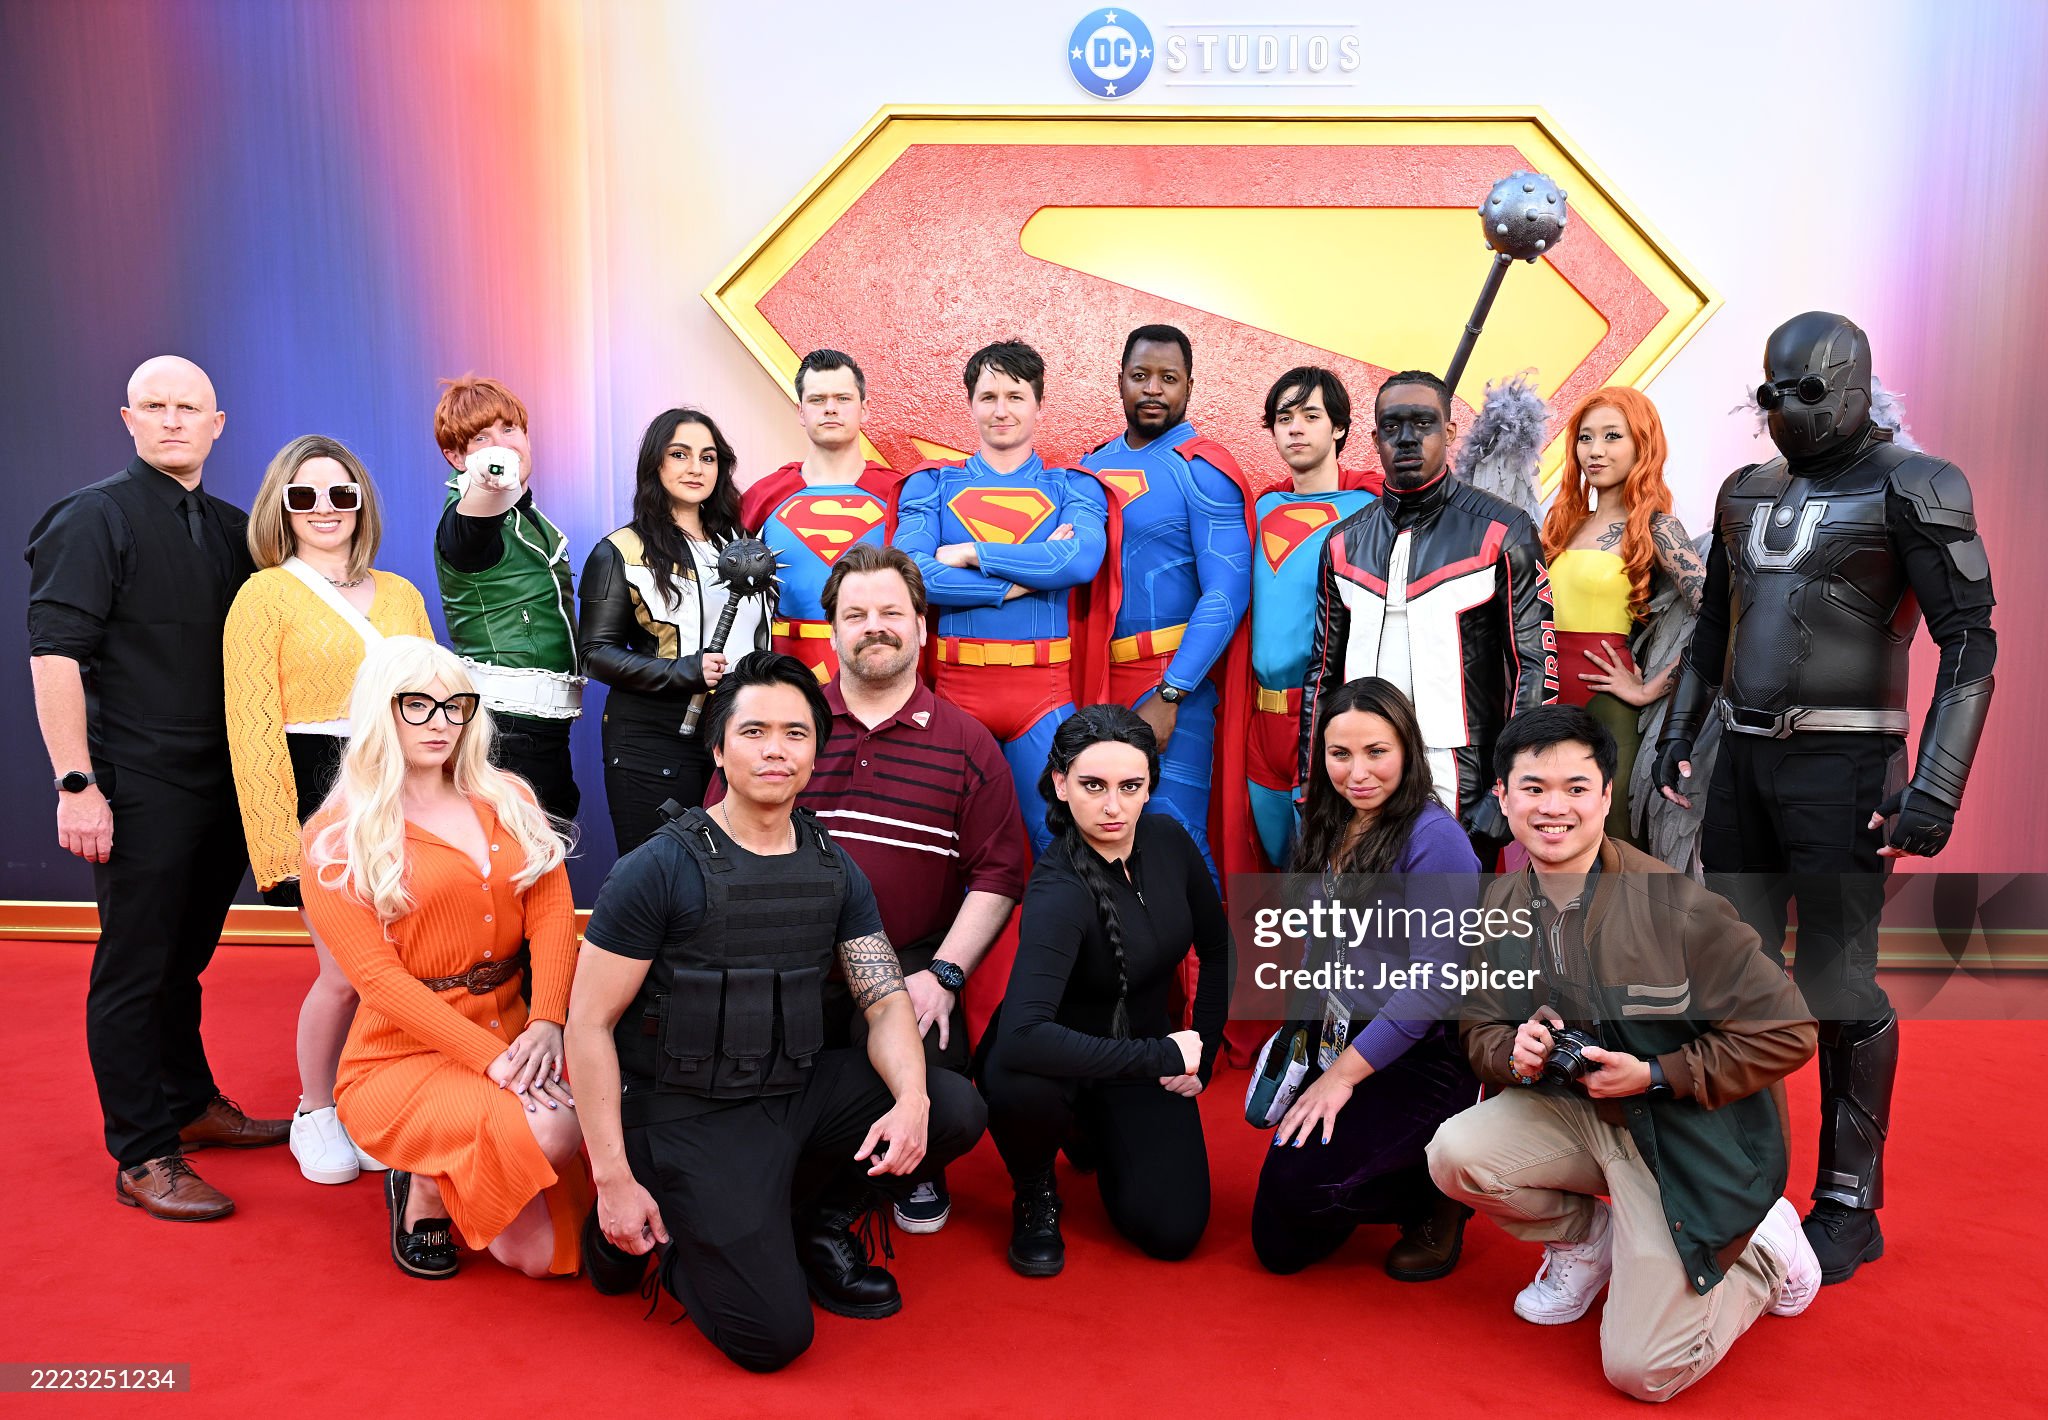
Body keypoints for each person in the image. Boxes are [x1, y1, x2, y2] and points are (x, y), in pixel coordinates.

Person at [1654, 312, 1997, 1283]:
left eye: (1807, 390)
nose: (1786, 410)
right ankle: (1737, 1181)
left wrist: (1936, 786)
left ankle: (1848, 1199)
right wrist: (1681, 731)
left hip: (1845, 769)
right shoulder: (1742, 489)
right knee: (1732, 974)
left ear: (1854, 385)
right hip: (1743, 763)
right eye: (1771, 393)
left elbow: (1969, 640)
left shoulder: (1917, 483)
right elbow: (1713, 633)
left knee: (1839, 982)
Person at [565, 653, 988, 1374]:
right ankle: (662, 1231)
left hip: (793, 1088)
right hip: (688, 1111)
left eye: (795, 733)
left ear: (815, 753)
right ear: (719, 748)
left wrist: (912, 1100)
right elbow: (590, 1025)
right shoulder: (658, 868)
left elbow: (885, 998)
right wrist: (612, 1179)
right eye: (754, 731)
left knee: (952, 1106)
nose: (775, 750)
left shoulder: (832, 866)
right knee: (774, 1339)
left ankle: (809, 1220)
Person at [1427, 706, 1821, 1403]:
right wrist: (1514, 1053)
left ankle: (1764, 1249)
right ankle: (1589, 1241)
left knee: (1645, 1372)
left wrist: (1659, 1073)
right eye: (1534, 788)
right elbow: (1479, 1026)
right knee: (1453, 1155)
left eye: (1576, 788)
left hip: (1681, 1132)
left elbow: (1790, 1029)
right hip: (1579, 1114)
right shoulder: (1500, 904)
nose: (1554, 807)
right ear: (1503, 798)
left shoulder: (1676, 907)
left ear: (1607, 796)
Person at [26, 355, 288, 1221]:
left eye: (188, 407)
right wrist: (76, 784)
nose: (172, 419)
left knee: (185, 961)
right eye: (155, 405)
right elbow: (55, 657)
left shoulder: (234, 529)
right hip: (136, 782)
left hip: (224, 786)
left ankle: (189, 1102)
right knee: (135, 969)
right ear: (128, 419)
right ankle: (142, 1153)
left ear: (217, 424)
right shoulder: (92, 518)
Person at [708, 543, 1028, 1232]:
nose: (874, 627)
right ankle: (818, 1183)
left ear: (921, 628)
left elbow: (999, 874)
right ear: (832, 633)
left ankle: (905, 1166)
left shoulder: (968, 744)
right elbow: (717, 842)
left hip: (906, 965)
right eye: (855, 615)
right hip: (783, 959)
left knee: (941, 1081)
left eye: (891, 612)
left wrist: (944, 974)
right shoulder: (785, 732)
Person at [301, 637, 588, 1280]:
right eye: (418, 705)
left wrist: (547, 1019)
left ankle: (448, 1167)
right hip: (400, 1056)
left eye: (455, 705)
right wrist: (495, 1062)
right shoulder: (337, 835)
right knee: (554, 1129)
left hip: (513, 1033)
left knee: (542, 1260)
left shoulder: (508, 796)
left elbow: (551, 915)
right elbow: (377, 982)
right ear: (381, 710)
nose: (441, 722)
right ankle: (423, 1189)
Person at [223, 434, 433, 1186]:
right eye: (304, 495)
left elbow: (434, 701)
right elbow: (252, 727)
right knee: (346, 971)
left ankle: (367, 1103)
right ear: (280, 507)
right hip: (318, 796)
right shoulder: (263, 595)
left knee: (404, 964)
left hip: (401, 787)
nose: (324, 509)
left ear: (361, 504)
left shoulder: (402, 593)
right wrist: (279, 847)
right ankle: (315, 1109)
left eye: (341, 494)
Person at [978, 705, 1231, 1277]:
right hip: (1050, 1063)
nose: (1113, 806)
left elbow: (1217, 949)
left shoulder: (1169, 841)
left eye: (1130, 786)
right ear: (1061, 784)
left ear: (1149, 788)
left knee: (1173, 1231)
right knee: (1020, 1085)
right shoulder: (1057, 889)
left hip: (1137, 1054)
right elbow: (1022, 1037)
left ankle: (1091, 1129)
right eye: (1093, 785)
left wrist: (1204, 1049)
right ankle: (1035, 1186)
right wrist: (1161, 1056)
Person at [1252, 678, 1480, 1281]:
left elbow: (1434, 983)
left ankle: (1439, 1192)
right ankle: (1398, 1169)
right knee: (1278, 1244)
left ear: (1407, 748)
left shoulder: (1436, 840)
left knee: (1296, 1196)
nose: (1357, 773)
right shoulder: (1331, 820)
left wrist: (1340, 1078)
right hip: (1342, 1034)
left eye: (1376, 751)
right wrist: (1301, 1037)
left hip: (1423, 1050)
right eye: (1340, 753)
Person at [1301, 370, 1556, 866]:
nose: (1407, 438)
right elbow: (1322, 673)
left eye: (1423, 423)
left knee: (1451, 916)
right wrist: (1310, 780)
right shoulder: (1341, 542)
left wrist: (1510, 788)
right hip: (1361, 771)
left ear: (1450, 431)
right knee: (1361, 912)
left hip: (1462, 774)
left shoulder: (1504, 529)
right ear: (1374, 437)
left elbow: (1536, 668)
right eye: (1392, 426)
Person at [894, 340, 1109, 850]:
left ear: (1038, 404)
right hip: (956, 694)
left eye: (1015, 396)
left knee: (1057, 842)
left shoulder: (1074, 486)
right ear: (970, 404)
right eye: (988, 397)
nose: (1001, 410)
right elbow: (911, 574)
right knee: (947, 844)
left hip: (1044, 695)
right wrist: (1022, 581)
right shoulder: (931, 485)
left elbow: (1080, 561)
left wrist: (969, 552)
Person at [1077, 325, 1253, 878]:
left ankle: (1208, 943)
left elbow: (1228, 591)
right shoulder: (1087, 469)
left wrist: (1172, 693)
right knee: (1097, 850)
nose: (1153, 389)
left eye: (1168, 378)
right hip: (1096, 685)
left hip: (1172, 684)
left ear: (1189, 387)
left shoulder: (1203, 469)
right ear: (1120, 382)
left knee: (1177, 843)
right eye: (1141, 375)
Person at [579, 408, 769, 856]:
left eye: (708, 457)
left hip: (736, 737)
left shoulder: (743, 548)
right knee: (658, 875)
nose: (695, 468)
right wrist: (683, 671)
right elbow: (593, 653)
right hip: (652, 742)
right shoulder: (619, 550)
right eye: (679, 454)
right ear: (655, 463)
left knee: (734, 874)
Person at [1538, 388, 1704, 845]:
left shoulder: (1657, 528)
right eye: (1585, 437)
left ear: (1642, 444)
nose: (1595, 450)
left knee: (1614, 841)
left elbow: (1721, 619)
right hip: (1545, 700)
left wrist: (1650, 687)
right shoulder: (1561, 526)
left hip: (1608, 705)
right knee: (1550, 835)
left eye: (1612, 436)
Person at [1245, 367, 1380, 866]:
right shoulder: (1260, 507)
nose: (1296, 428)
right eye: (1284, 418)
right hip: (1261, 721)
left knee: (1334, 873)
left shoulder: (1371, 508)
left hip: (1329, 719)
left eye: (1310, 416)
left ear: (1339, 426)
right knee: (1272, 869)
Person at [432, 374, 583, 821]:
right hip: (505, 728)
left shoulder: (526, 514)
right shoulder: (468, 518)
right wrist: (488, 480)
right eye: (481, 438)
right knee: (517, 848)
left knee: (550, 840)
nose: (502, 445)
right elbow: (471, 524)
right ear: (456, 457)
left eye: (510, 429)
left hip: (542, 727)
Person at [738, 349, 902, 684]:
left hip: (879, 664)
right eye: (817, 399)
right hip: (784, 671)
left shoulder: (899, 494)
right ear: (801, 411)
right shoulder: (763, 497)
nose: (830, 408)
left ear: (864, 408)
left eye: (843, 398)